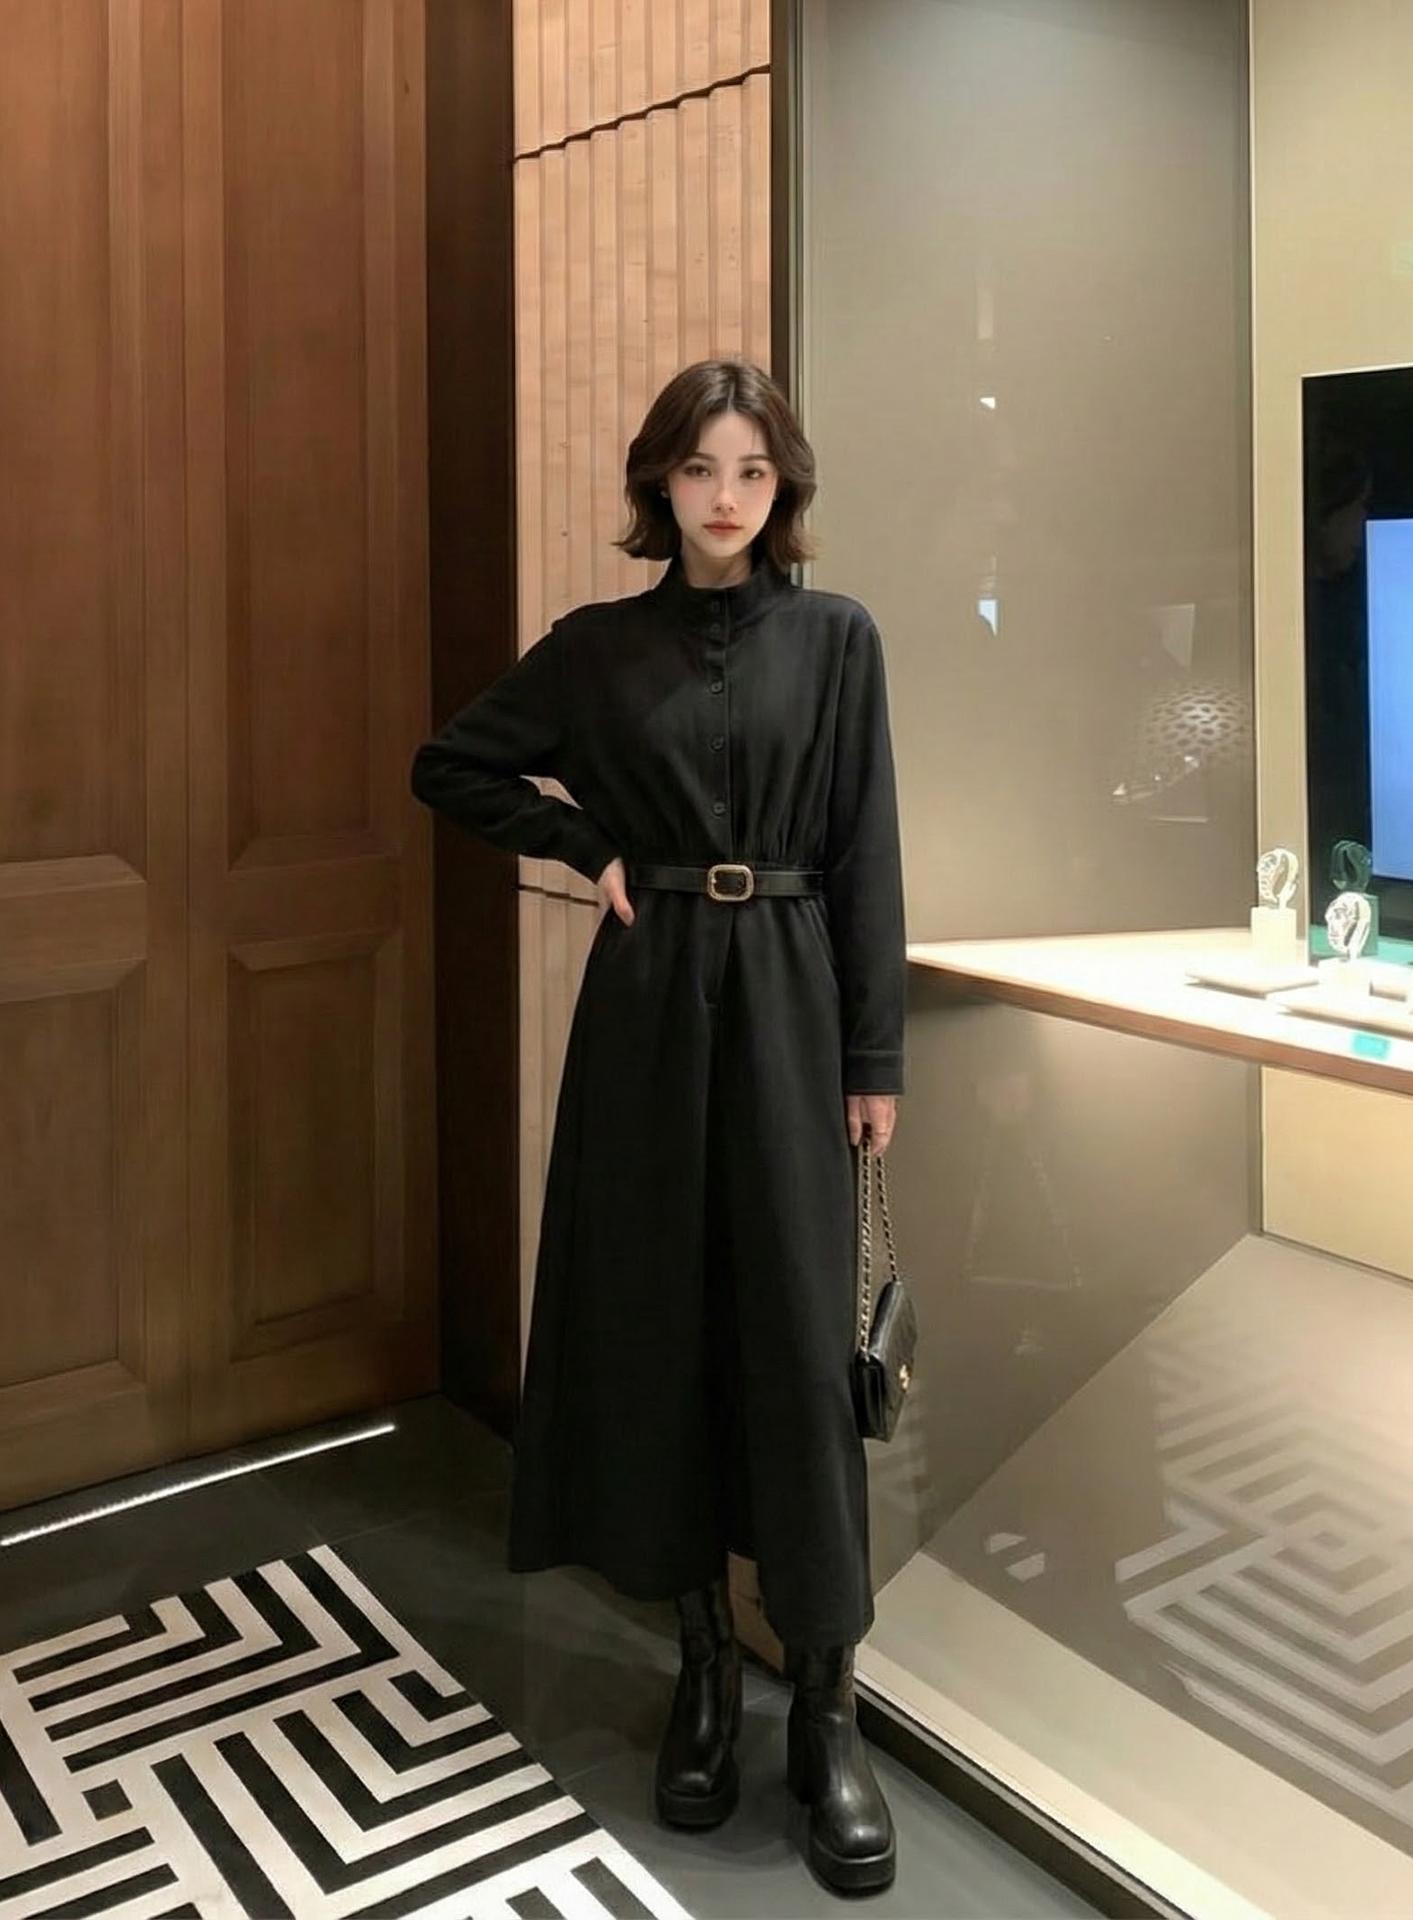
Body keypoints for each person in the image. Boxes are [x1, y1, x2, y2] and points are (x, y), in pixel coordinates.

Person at [411, 358, 906, 1895]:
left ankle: (824, 1704)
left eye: (751, 470)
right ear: (660, 484)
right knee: (662, 1326)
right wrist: (585, 845)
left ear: (783, 487)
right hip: (646, 1014)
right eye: (699, 468)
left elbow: (868, 847)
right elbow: (451, 764)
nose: (725, 496)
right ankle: (699, 1665)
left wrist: (874, 1054)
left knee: (801, 1345)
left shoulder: (839, 640)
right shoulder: (595, 650)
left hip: (792, 1002)